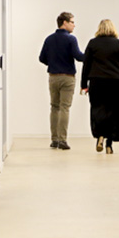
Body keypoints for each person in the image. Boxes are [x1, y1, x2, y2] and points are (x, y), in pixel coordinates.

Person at [80, 19, 119, 154]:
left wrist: (83, 84)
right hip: (117, 81)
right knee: (115, 112)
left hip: (97, 81)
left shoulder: (93, 43)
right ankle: (109, 144)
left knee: (98, 109)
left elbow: (86, 65)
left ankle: (100, 136)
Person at [38, 11, 84, 150]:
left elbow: (42, 58)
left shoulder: (49, 39)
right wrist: (92, 54)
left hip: (53, 77)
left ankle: (54, 140)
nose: (74, 25)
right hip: (67, 77)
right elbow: (79, 56)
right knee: (64, 108)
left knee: (54, 107)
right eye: (72, 22)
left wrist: (53, 63)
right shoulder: (71, 39)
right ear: (64, 22)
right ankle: (62, 140)